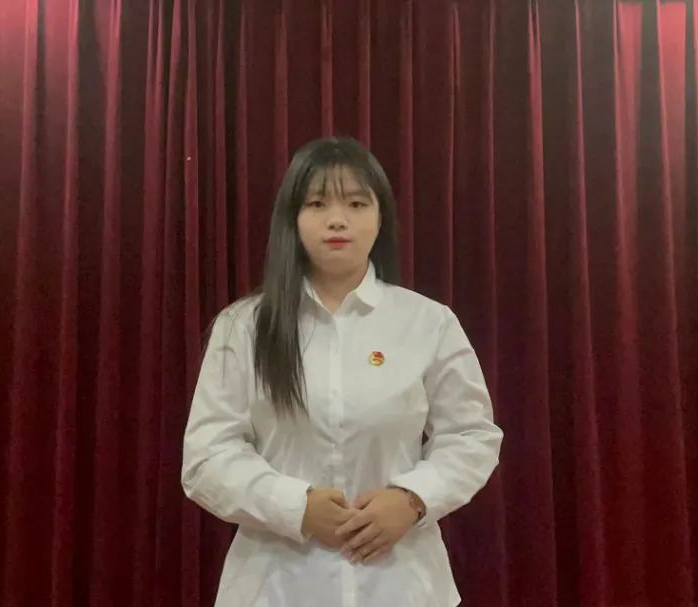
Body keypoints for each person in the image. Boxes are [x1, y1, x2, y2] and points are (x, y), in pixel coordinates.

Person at [181, 136, 503, 607]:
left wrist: (412, 499)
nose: (337, 219)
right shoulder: (244, 327)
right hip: (276, 587)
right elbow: (206, 458)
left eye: (356, 203)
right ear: (292, 219)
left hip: (403, 585)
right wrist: (297, 507)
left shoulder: (428, 322)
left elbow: (472, 437)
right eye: (317, 204)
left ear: (380, 216)